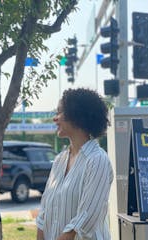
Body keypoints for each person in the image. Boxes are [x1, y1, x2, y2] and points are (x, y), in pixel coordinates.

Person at [36, 88, 114, 240]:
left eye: (59, 112)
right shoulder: (59, 160)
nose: (55, 118)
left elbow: (85, 220)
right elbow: (43, 212)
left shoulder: (97, 160)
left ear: (77, 116)